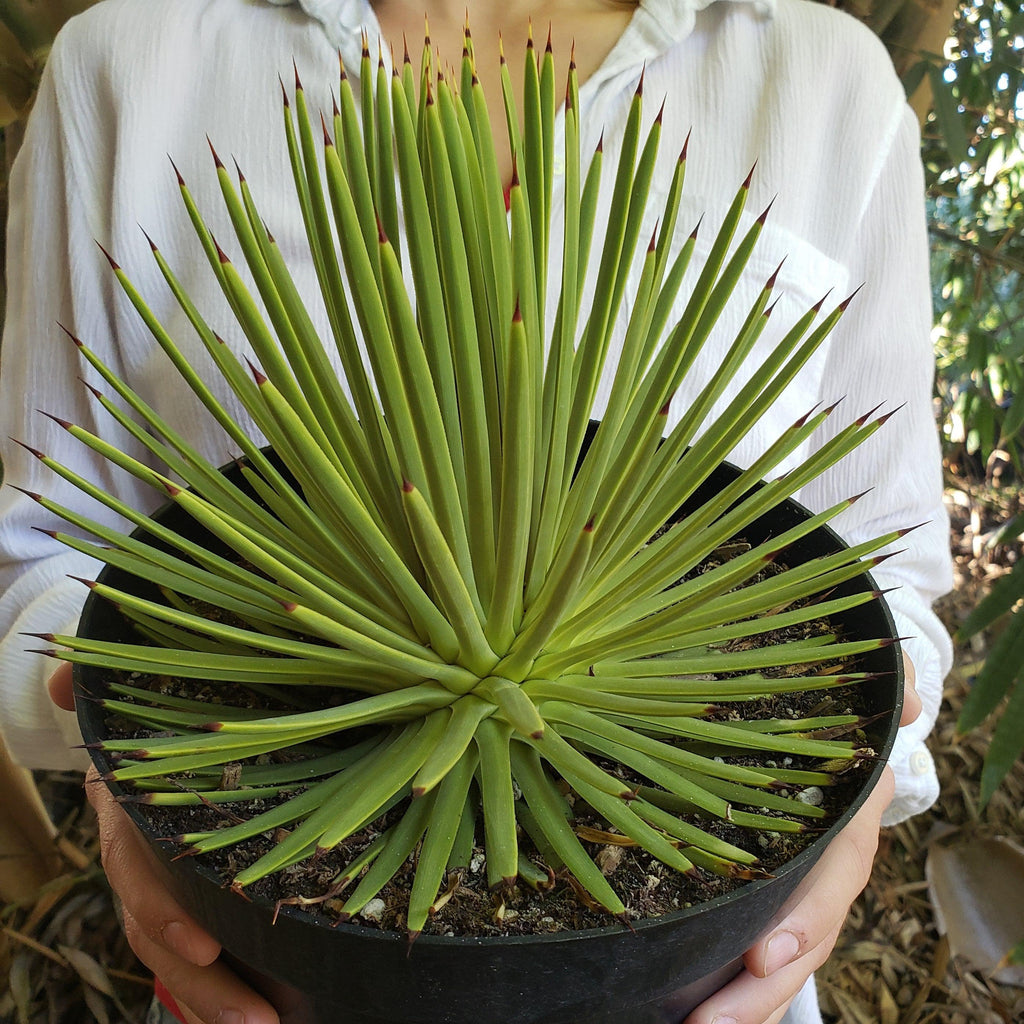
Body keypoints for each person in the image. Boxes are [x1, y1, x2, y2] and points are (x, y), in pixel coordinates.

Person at [0, 0, 953, 1022]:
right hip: (291, 842)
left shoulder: (826, 76)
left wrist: (854, 806)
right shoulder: (129, 57)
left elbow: (878, 588)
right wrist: (118, 779)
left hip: (700, 937)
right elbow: (40, 559)